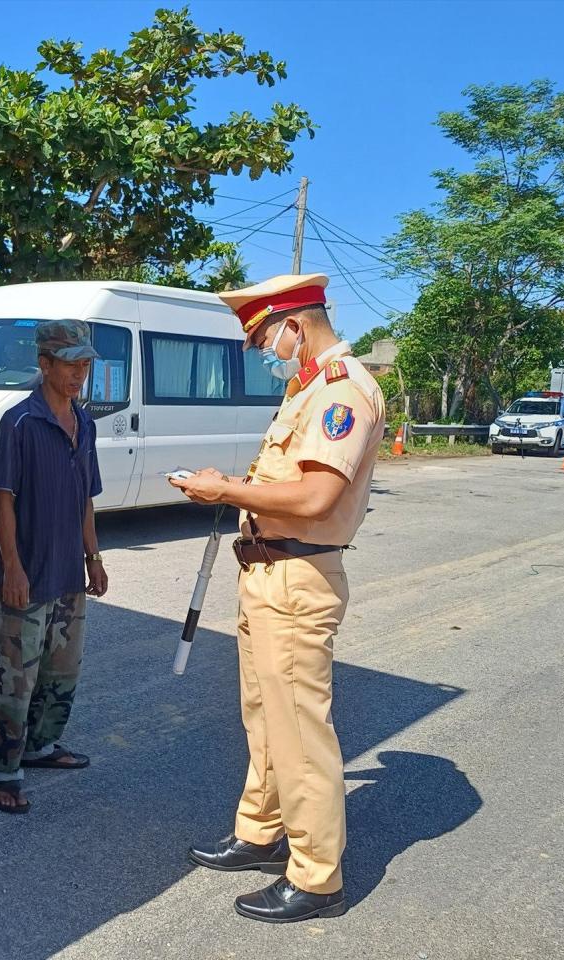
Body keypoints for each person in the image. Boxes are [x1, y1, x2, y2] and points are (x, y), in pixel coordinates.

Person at [170, 274, 385, 923]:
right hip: (265, 572)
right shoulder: (308, 388)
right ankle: (260, 833)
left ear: (296, 323)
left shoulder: (343, 390)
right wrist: (233, 486)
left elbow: (317, 498)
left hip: (297, 578)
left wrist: (226, 491)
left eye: (266, 336)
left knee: (299, 733)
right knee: (264, 720)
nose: (266, 350)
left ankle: (318, 877)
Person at [0, 318, 109, 814]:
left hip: (68, 576)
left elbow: (85, 502)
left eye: (85, 364)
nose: (80, 373)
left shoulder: (86, 424)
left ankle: (40, 747)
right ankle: (0, 772)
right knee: (15, 679)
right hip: (26, 576)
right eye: (71, 363)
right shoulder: (18, 423)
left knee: (62, 672)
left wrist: (93, 559)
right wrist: (11, 568)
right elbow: (4, 502)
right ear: (45, 365)